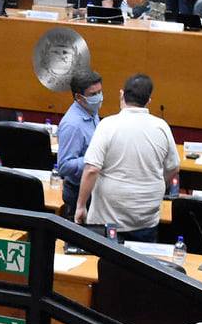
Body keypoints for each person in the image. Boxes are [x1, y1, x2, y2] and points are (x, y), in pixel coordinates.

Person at [74, 73, 178, 242]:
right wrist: (156, 184)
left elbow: (92, 169)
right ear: (148, 101)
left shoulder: (107, 125)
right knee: (140, 267)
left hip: (108, 222)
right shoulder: (162, 127)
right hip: (146, 221)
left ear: (122, 94)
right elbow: (173, 168)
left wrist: (80, 206)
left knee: (105, 266)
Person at [54, 69, 102, 221]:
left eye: (100, 92)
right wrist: (95, 159)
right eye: (93, 94)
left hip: (92, 189)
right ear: (79, 98)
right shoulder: (73, 124)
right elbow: (64, 165)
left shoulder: (91, 113)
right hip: (77, 193)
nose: (99, 98)